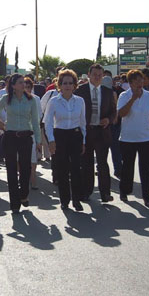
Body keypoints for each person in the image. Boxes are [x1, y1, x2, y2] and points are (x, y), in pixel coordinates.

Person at [0, 73, 42, 214]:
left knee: (26, 168)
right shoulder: (6, 99)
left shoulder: (31, 100)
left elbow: (35, 122)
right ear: (13, 85)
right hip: (10, 137)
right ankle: (14, 203)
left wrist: (38, 141)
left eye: (24, 83)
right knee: (11, 169)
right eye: (20, 82)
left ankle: (24, 194)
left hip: (26, 137)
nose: (23, 85)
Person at [43, 69, 86, 211]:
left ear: (74, 85)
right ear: (59, 85)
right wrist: (51, 140)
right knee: (62, 170)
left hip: (75, 135)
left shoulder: (80, 101)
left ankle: (77, 200)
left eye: (70, 83)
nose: (67, 86)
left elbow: (82, 122)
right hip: (60, 136)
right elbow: (48, 122)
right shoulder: (54, 101)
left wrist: (84, 141)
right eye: (64, 83)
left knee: (76, 169)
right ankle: (64, 200)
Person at [74, 64, 116, 203]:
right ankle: (86, 192)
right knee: (86, 163)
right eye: (95, 74)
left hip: (101, 132)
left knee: (103, 163)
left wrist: (108, 120)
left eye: (100, 75)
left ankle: (105, 193)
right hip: (86, 131)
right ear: (89, 75)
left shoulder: (108, 92)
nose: (97, 77)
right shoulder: (80, 91)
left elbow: (113, 112)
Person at [117, 70, 149, 207]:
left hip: (145, 138)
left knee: (145, 168)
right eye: (135, 81)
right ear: (130, 83)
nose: (139, 84)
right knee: (127, 167)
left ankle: (146, 196)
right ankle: (124, 190)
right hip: (128, 138)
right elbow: (122, 114)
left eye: (141, 81)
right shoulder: (124, 95)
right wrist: (133, 98)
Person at [24, 77, 43, 190]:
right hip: (20, 131)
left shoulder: (36, 99)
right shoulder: (16, 99)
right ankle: (22, 177)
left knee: (33, 157)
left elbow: (39, 115)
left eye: (28, 87)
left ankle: (33, 179)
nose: (26, 89)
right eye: (24, 87)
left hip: (32, 131)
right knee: (20, 158)